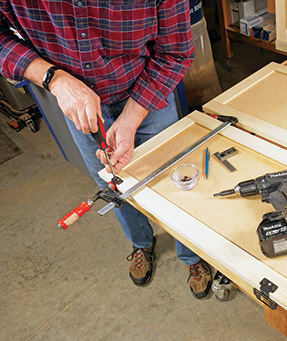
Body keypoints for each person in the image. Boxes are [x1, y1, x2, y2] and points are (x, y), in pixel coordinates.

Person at [0, 0, 213, 298]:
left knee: (176, 184)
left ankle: (192, 254)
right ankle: (141, 243)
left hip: (147, 91)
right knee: (113, 187)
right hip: (79, 110)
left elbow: (176, 52)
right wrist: (53, 78)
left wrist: (130, 119)